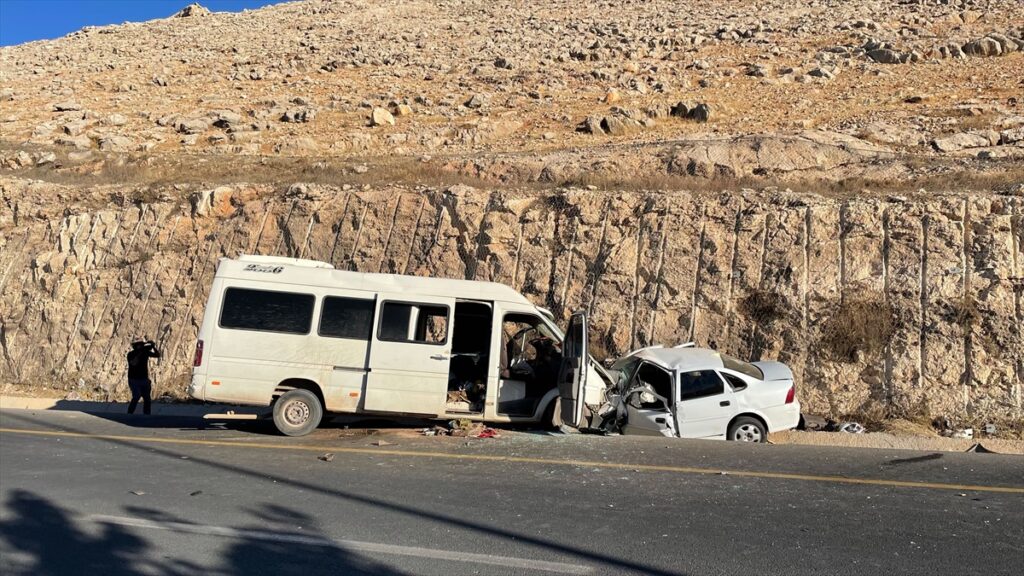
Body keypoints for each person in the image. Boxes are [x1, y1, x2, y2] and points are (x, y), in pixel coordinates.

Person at [126, 339, 160, 415]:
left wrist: (153, 347)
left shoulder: (145, 352)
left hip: (144, 379)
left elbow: (157, 355)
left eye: (142, 345)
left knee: (147, 398)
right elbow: (133, 363)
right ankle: (129, 413)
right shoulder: (131, 354)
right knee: (136, 396)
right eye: (140, 345)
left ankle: (146, 414)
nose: (142, 346)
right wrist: (140, 353)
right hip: (134, 379)